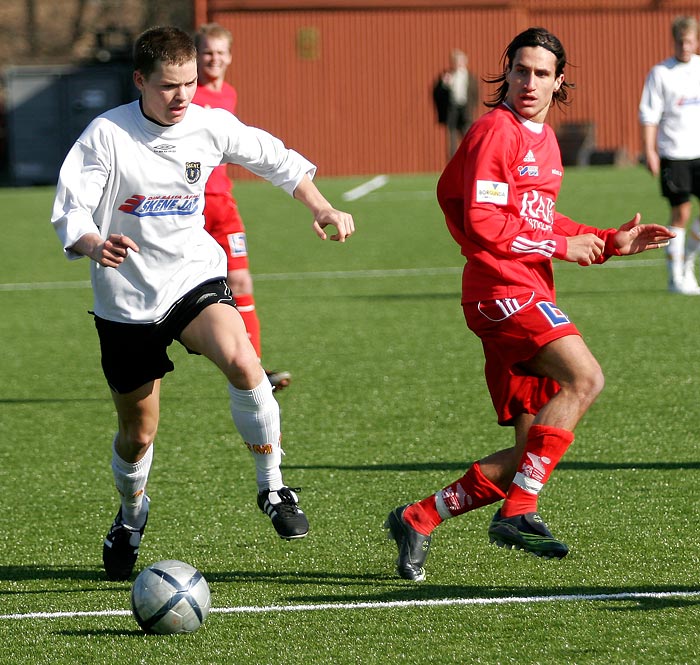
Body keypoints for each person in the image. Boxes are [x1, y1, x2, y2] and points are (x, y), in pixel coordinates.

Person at [50, 26, 355, 581]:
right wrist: (97, 243)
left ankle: (273, 488)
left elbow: (278, 160)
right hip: (127, 299)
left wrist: (321, 206)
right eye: (169, 86)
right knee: (138, 432)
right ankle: (131, 515)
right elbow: (70, 212)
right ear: (140, 80)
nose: (183, 96)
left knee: (243, 360)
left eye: (190, 83)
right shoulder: (106, 135)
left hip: (193, 278)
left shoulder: (209, 124)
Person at [386, 26, 673, 582]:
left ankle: (418, 517)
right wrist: (562, 246)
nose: (530, 82)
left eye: (542, 73)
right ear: (507, 73)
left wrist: (607, 240)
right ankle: (518, 514)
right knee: (585, 379)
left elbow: (539, 219)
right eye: (521, 70)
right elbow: (484, 222)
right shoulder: (498, 130)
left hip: (529, 287)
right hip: (500, 292)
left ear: (559, 81)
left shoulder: (543, 139)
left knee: (527, 455)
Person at [192, 24, 290, 391]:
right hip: (191, 206)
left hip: (224, 205)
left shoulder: (228, 94)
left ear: (230, 56)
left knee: (241, 280)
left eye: (220, 52)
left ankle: (255, 369)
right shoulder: (186, 95)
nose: (214, 59)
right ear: (196, 55)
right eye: (207, 52)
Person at [639, 16, 700, 295]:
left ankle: (688, 263)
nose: (685, 47)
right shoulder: (661, 72)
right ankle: (675, 277)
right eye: (680, 41)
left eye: (689, 41)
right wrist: (650, 150)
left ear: (696, 41)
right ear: (674, 41)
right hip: (674, 154)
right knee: (682, 212)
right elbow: (649, 114)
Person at [433, 49, 479, 160]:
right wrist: (444, 85)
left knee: (468, 136)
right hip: (452, 110)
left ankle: (470, 160)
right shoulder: (448, 76)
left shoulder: (470, 77)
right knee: (452, 141)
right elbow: (437, 94)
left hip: (465, 110)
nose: (458, 63)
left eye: (460, 61)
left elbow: (475, 95)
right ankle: (452, 164)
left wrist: (472, 109)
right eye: (456, 61)